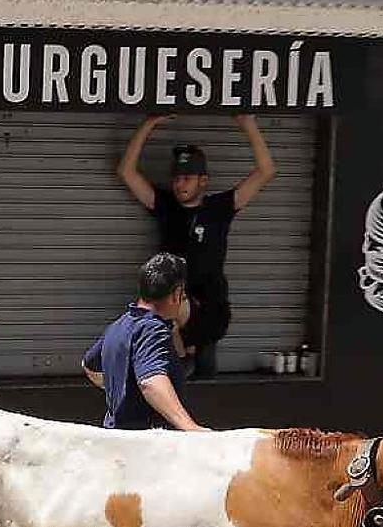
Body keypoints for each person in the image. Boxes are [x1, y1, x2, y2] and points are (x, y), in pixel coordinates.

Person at [56, 252, 208, 527]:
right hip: (147, 463)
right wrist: (191, 429)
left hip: (115, 455)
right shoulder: (154, 331)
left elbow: (91, 367)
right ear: (177, 294)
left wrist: (115, 392)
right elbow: (151, 381)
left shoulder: (121, 325)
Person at [117, 114, 276, 378]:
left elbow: (266, 171)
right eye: (177, 178)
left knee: (206, 381)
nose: (180, 184)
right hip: (173, 308)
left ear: (203, 180)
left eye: (188, 178)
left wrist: (247, 123)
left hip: (210, 309)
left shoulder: (219, 208)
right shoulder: (165, 205)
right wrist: (148, 124)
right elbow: (126, 172)